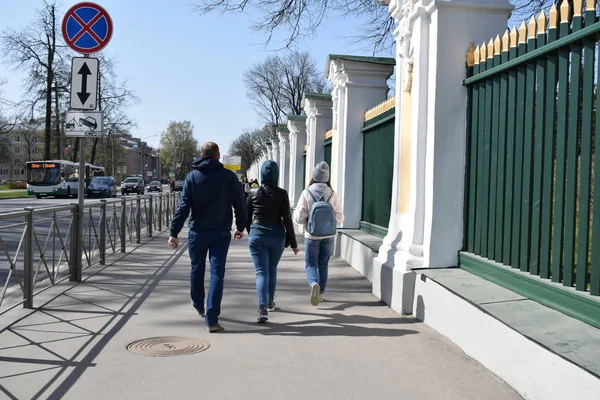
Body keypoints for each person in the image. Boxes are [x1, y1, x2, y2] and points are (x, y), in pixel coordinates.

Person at [168, 142, 247, 333]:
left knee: (197, 269)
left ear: (201, 155)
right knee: (217, 274)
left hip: (197, 233)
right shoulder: (229, 176)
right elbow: (240, 203)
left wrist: (174, 232)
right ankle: (212, 320)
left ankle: (198, 304)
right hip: (220, 233)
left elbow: (184, 207)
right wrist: (241, 226)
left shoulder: (193, 177)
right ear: (218, 156)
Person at [246, 160, 299, 323]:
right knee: (272, 270)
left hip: (257, 236)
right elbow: (287, 220)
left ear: (261, 174)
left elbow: (247, 218)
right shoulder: (282, 194)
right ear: (276, 174)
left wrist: (251, 233)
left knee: (261, 272)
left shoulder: (253, 193)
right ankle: (269, 302)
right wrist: (294, 243)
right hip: (277, 236)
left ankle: (262, 308)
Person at [293, 161, 344, 306]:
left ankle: (314, 283)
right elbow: (340, 217)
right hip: (328, 235)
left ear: (314, 176)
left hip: (311, 235)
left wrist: (308, 221)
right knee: (323, 264)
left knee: (310, 264)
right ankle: (321, 294)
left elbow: (298, 218)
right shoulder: (332, 194)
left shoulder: (307, 193)